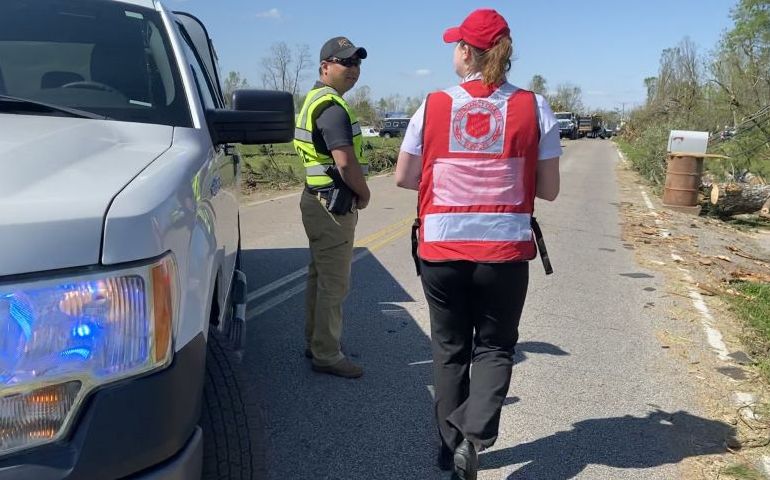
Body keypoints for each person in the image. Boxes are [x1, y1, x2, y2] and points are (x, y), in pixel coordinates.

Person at [395, 9, 561, 479]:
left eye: (455, 44)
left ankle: (449, 451)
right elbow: (548, 190)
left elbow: (405, 176)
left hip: (442, 249)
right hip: (503, 254)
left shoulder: (432, 105)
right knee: (494, 347)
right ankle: (474, 435)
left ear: (466, 52)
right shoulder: (535, 106)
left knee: (449, 348)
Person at [293, 37, 371, 379]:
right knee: (335, 283)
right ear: (325, 67)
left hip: (316, 200)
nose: (353, 69)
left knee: (320, 276)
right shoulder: (333, 108)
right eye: (345, 63)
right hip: (332, 207)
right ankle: (326, 353)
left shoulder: (314, 100)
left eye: (356, 63)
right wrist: (364, 192)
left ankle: (315, 342)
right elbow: (345, 162)